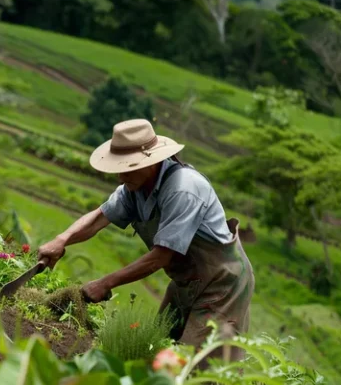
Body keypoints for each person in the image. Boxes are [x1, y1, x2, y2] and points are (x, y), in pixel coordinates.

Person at [37, 119, 255, 360]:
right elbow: (100, 218)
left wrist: (105, 283)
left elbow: (161, 256)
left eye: (127, 167)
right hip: (187, 280)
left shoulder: (183, 189)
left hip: (222, 284)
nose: (121, 176)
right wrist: (61, 240)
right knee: (159, 348)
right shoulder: (134, 188)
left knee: (200, 368)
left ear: (152, 162)